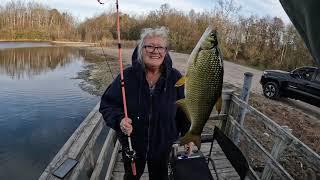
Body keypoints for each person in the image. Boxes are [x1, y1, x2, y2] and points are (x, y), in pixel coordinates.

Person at [99, 26, 193, 180]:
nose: (155, 51)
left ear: (166, 51)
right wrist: (120, 120)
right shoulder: (126, 76)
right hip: (133, 145)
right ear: (141, 49)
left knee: (160, 177)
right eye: (149, 46)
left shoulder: (175, 78)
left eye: (160, 47)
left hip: (163, 145)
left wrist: (188, 134)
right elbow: (107, 105)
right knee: (132, 176)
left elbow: (183, 110)